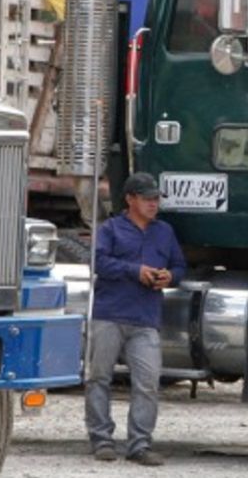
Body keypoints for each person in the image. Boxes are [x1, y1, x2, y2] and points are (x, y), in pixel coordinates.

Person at [85, 172, 186, 466]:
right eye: (147, 199)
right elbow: (98, 262)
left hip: (145, 319)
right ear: (130, 199)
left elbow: (180, 266)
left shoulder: (165, 232)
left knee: (148, 382)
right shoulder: (111, 229)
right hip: (109, 315)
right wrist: (135, 271)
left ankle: (139, 445)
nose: (154, 204)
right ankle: (101, 440)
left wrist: (170, 276)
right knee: (99, 378)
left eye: (156, 199)